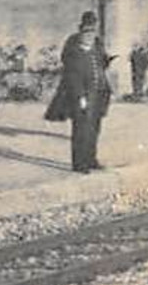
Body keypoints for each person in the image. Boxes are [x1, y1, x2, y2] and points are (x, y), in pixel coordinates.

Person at [47, 11, 113, 172]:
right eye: (87, 31)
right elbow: (71, 73)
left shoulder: (97, 44)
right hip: (82, 95)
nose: (90, 34)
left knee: (94, 129)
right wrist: (80, 96)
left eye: (92, 30)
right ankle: (79, 163)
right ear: (81, 29)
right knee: (81, 129)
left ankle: (91, 159)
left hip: (98, 94)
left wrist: (106, 60)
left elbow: (101, 62)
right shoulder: (73, 46)